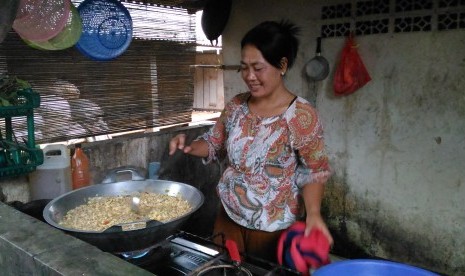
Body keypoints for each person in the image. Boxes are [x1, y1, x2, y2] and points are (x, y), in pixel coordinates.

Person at [169, 20, 333, 262]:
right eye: (244, 67)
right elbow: (214, 142)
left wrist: (314, 215)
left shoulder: (301, 115)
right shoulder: (236, 105)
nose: (249, 76)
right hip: (228, 216)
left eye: (258, 68)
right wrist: (190, 146)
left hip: (272, 226)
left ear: (282, 65)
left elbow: (314, 170)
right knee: (225, 269)